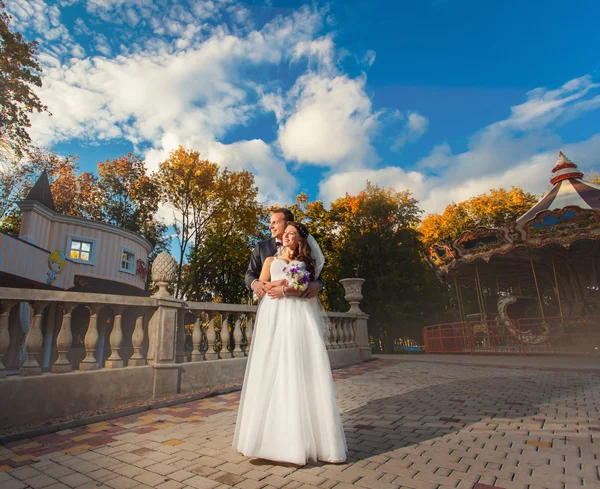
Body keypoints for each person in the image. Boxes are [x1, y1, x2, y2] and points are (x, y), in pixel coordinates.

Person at [233, 222, 347, 465]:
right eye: (285, 234)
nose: (286, 237)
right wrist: (270, 286)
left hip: (297, 316)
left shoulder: (304, 264)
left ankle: (304, 441)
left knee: (298, 369)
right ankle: (265, 440)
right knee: (270, 369)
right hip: (273, 317)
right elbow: (259, 289)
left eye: (291, 234)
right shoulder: (269, 261)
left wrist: (284, 289)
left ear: (300, 240)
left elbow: (307, 288)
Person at [245, 208, 321, 299]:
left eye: (275, 222)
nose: (270, 227)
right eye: (270, 223)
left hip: (300, 304)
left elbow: (316, 273)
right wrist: (256, 284)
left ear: (288, 223)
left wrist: (318, 285)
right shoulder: (261, 247)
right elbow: (250, 273)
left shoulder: (305, 250)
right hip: (271, 302)